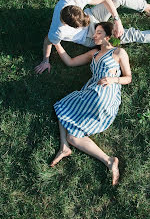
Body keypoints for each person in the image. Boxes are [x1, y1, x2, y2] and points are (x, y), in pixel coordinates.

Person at [35, 0, 150, 74]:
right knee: (132, 35)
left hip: (93, 15)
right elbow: (48, 41)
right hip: (91, 38)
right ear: (69, 26)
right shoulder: (58, 30)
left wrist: (117, 19)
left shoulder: (73, 0)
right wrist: (45, 60)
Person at [50, 22, 132, 186]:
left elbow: (128, 78)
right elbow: (70, 61)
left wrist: (113, 79)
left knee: (63, 106)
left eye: (99, 33)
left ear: (108, 37)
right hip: (91, 93)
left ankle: (64, 146)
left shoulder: (118, 52)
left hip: (105, 92)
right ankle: (108, 161)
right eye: (94, 33)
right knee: (73, 135)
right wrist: (56, 42)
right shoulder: (93, 54)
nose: (94, 36)